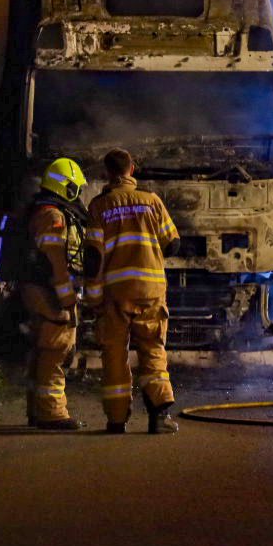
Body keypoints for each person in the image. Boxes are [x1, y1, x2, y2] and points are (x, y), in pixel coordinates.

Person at [85, 148, 180, 434]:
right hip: (151, 290)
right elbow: (173, 242)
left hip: (116, 292)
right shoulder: (152, 201)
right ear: (132, 169)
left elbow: (93, 256)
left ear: (107, 173)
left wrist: (92, 296)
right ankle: (159, 417)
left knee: (114, 354)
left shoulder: (99, 206)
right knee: (152, 349)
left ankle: (116, 420)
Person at [22, 157, 90, 431]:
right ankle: (52, 413)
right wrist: (67, 297)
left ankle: (38, 411)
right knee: (56, 350)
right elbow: (57, 262)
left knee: (43, 352)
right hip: (48, 293)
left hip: (39, 289)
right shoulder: (53, 216)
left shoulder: (45, 210)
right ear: (67, 187)